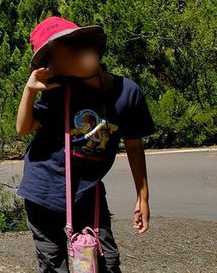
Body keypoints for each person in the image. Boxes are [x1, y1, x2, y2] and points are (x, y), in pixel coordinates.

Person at [16, 16, 155, 273]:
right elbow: (23, 128)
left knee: (104, 262)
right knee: (53, 265)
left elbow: (134, 145)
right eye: (62, 54)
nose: (75, 54)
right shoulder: (59, 92)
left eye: (77, 44)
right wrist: (30, 90)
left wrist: (142, 196)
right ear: (55, 67)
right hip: (43, 189)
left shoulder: (128, 92)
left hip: (88, 191)